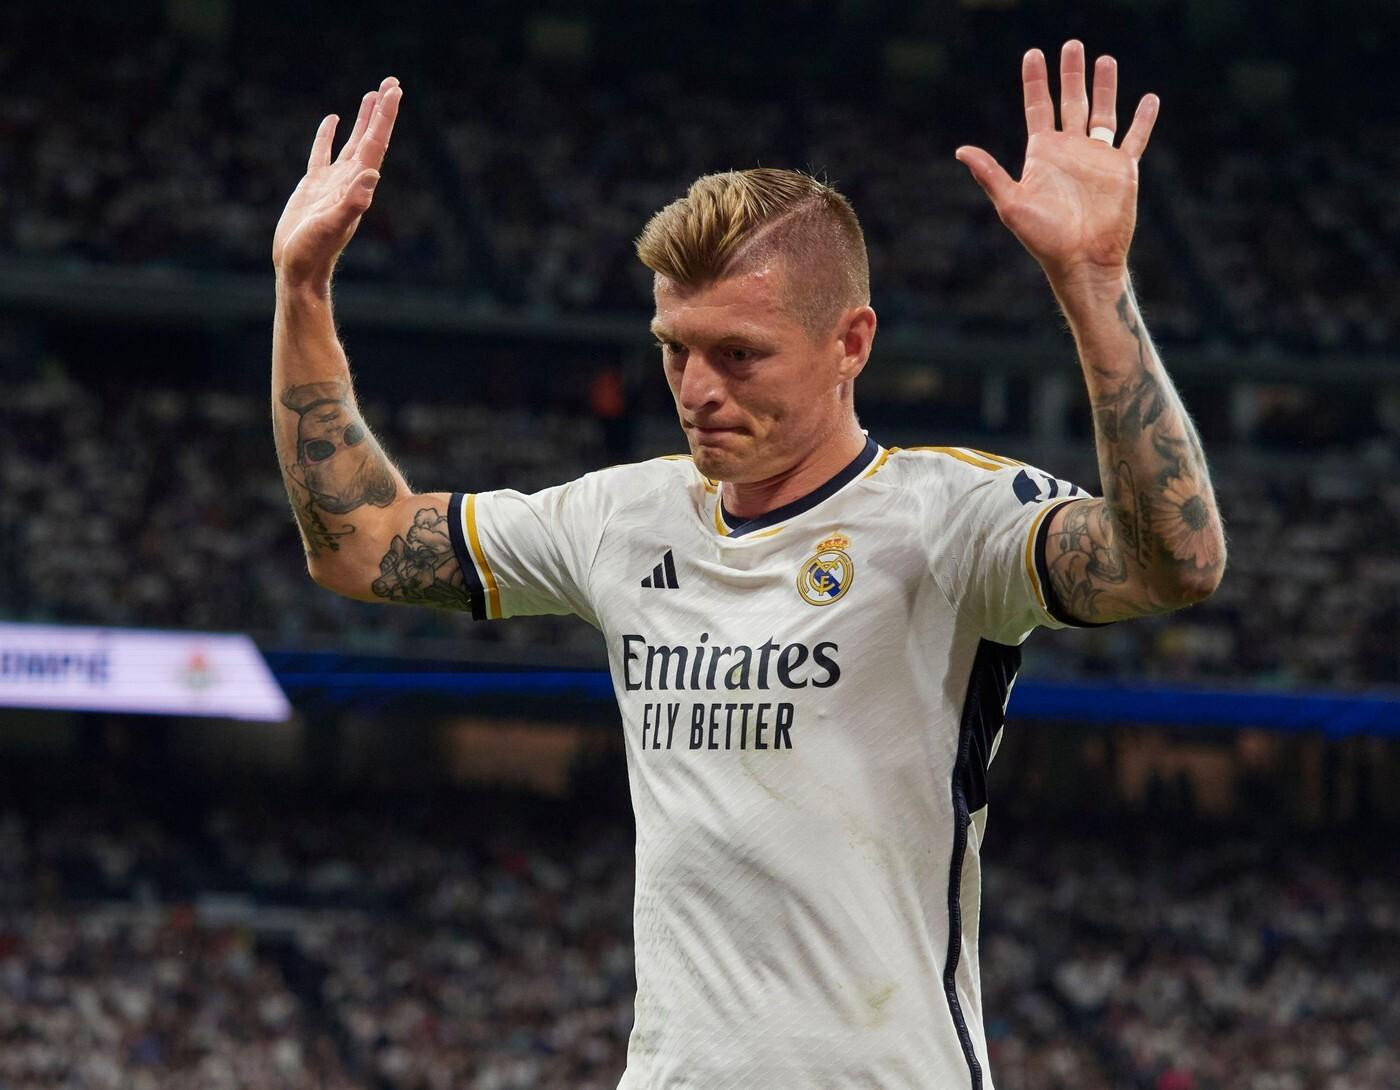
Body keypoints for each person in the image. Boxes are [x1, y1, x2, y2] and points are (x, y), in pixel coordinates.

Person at [271, 41, 1224, 1090]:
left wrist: (1093, 285)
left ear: (851, 342)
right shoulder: (621, 517)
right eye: (673, 346)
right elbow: (360, 544)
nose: (696, 389)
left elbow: (1172, 562)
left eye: (739, 354)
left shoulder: (949, 520)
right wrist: (302, 289)